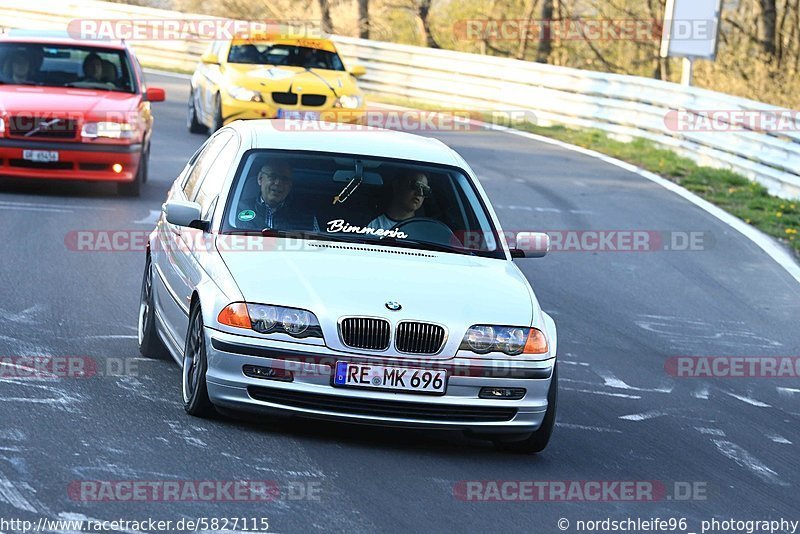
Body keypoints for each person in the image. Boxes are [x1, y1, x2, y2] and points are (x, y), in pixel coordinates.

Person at [238, 160, 318, 231]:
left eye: (284, 179)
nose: (278, 183)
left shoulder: (307, 217)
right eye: (273, 176)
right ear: (260, 179)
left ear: (290, 185)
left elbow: (317, 244)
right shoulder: (237, 210)